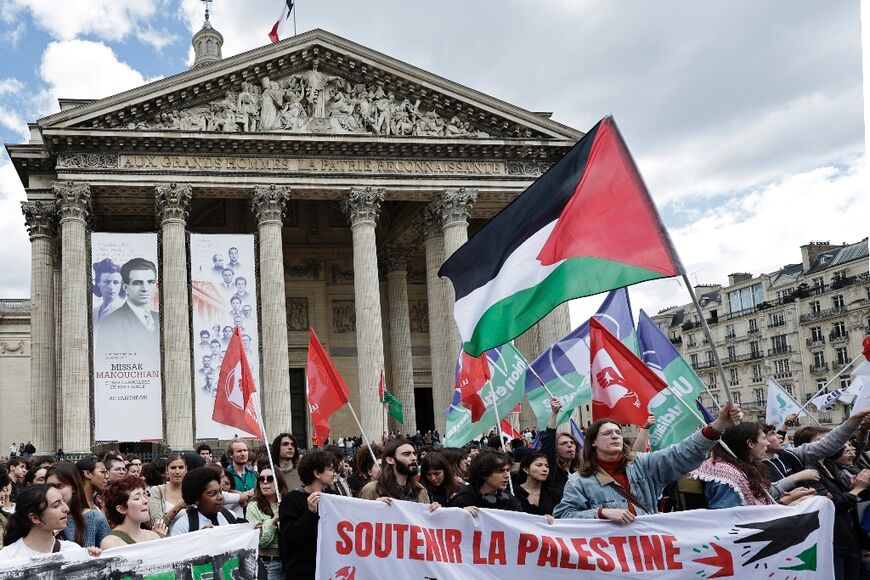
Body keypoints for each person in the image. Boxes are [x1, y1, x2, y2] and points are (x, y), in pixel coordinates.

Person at [554, 402, 743, 521]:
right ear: (593, 442)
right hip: (609, 559)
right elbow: (563, 515)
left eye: (618, 432)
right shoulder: (579, 480)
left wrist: (718, 425)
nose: (615, 436)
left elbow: (680, 454)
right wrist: (601, 513)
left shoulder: (642, 465)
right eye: (607, 433)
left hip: (647, 552)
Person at [691, 421, 815, 508]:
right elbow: (731, 521)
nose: (767, 443)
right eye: (763, 438)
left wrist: (787, 498)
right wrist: (782, 505)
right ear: (750, 443)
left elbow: (758, 495)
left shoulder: (741, 467)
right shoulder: (727, 478)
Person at [0, 485, 98, 561]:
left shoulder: (72, 550)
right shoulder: (7, 558)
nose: (66, 509)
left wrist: (95, 562)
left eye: (63, 502)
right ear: (34, 517)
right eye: (56, 505)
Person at [279, 450, 335, 580]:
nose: (334, 474)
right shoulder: (291, 500)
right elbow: (290, 537)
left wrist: (377, 507)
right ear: (317, 473)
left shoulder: (333, 498)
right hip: (302, 573)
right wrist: (309, 513)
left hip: (328, 570)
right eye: (330, 470)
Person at [95, 257, 159, 356]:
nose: (145, 289)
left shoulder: (160, 319)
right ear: (125, 287)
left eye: (151, 282)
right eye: (138, 283)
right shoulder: (110, 323)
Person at [45, 462, 111, 547]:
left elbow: (107, 555)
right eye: (49, 487)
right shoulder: (40, 519)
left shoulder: (96, 519)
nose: (54, 491)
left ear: (74, 487)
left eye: (59, 486)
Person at [246, 460, 287, 579]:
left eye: (269, 479)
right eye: (261, 479)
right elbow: (259, 542)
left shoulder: (287, 502)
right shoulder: (253, 506)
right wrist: (274, 520)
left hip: (288, 563)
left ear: (278, 482)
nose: (264, 482)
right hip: (267, 564)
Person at [448, 450, 522, 515]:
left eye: (508, 470)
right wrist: (459, 514)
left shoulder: (510, 500)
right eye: (500, 471)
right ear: (484, 473)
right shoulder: (461, 501)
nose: (507, 475)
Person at [170, 467, 239, 535]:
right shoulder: (184, 526)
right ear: (196, 499)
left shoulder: (231, 517)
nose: (220, 497)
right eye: (212, 493)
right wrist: (199, 538)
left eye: (220, 491)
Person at [100, 475, 165, 548]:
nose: (145, 501)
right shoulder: (111, 543)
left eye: (145, 495)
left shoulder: (154, 536)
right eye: (137, 498)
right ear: (121, 509)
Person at [360, 439, 430, 504]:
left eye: (413, 453)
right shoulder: (372, 489)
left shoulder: (420, 490)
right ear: (390, 460)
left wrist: (435, 511)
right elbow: (361, 515)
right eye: (406, 454)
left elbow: (425, 516)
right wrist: (374, 507)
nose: (414, 458)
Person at [540, 399, 581, 492]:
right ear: (555, 449)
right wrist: (554, 414)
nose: (570, 445)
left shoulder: (578, 472)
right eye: (564, 443)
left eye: (572, 442)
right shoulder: (551, 470)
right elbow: (548, 442)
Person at [515, 452, 563, 516]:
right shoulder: (513, 493)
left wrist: (553, 518)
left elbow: (562, 515)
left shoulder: (555, 492)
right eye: (539, 465)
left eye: (547, 466)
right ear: (526, 469)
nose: (545, 469)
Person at [149, 452, 188, 528]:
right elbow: (156, 523)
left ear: (186, 469)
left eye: (181, 467)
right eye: (173, 468)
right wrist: (178, 507)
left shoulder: (193, 489)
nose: (177, 472)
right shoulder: (157, 491)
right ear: (167, 470)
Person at [91, 258, 125, 327]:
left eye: (116, 282)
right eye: (106, 282)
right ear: (98, 283)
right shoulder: (93, 313)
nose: (111, 287)